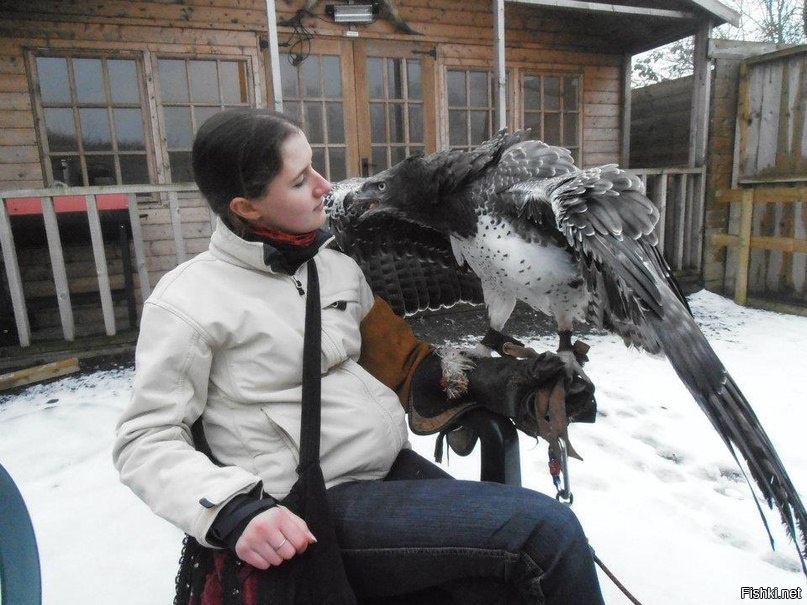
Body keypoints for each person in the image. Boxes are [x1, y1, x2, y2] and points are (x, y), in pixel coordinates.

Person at [113, 107, 605, 605]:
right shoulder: (187, 302)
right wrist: (232, 512)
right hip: (305, 510)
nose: (325, 185)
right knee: (546, 535)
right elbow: (145, 440)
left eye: (315, 167)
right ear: (247, 208)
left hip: (389, 474)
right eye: (301, 179)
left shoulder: (334, 267)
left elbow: (406, 365)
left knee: (502, 590)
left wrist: (501, 383)